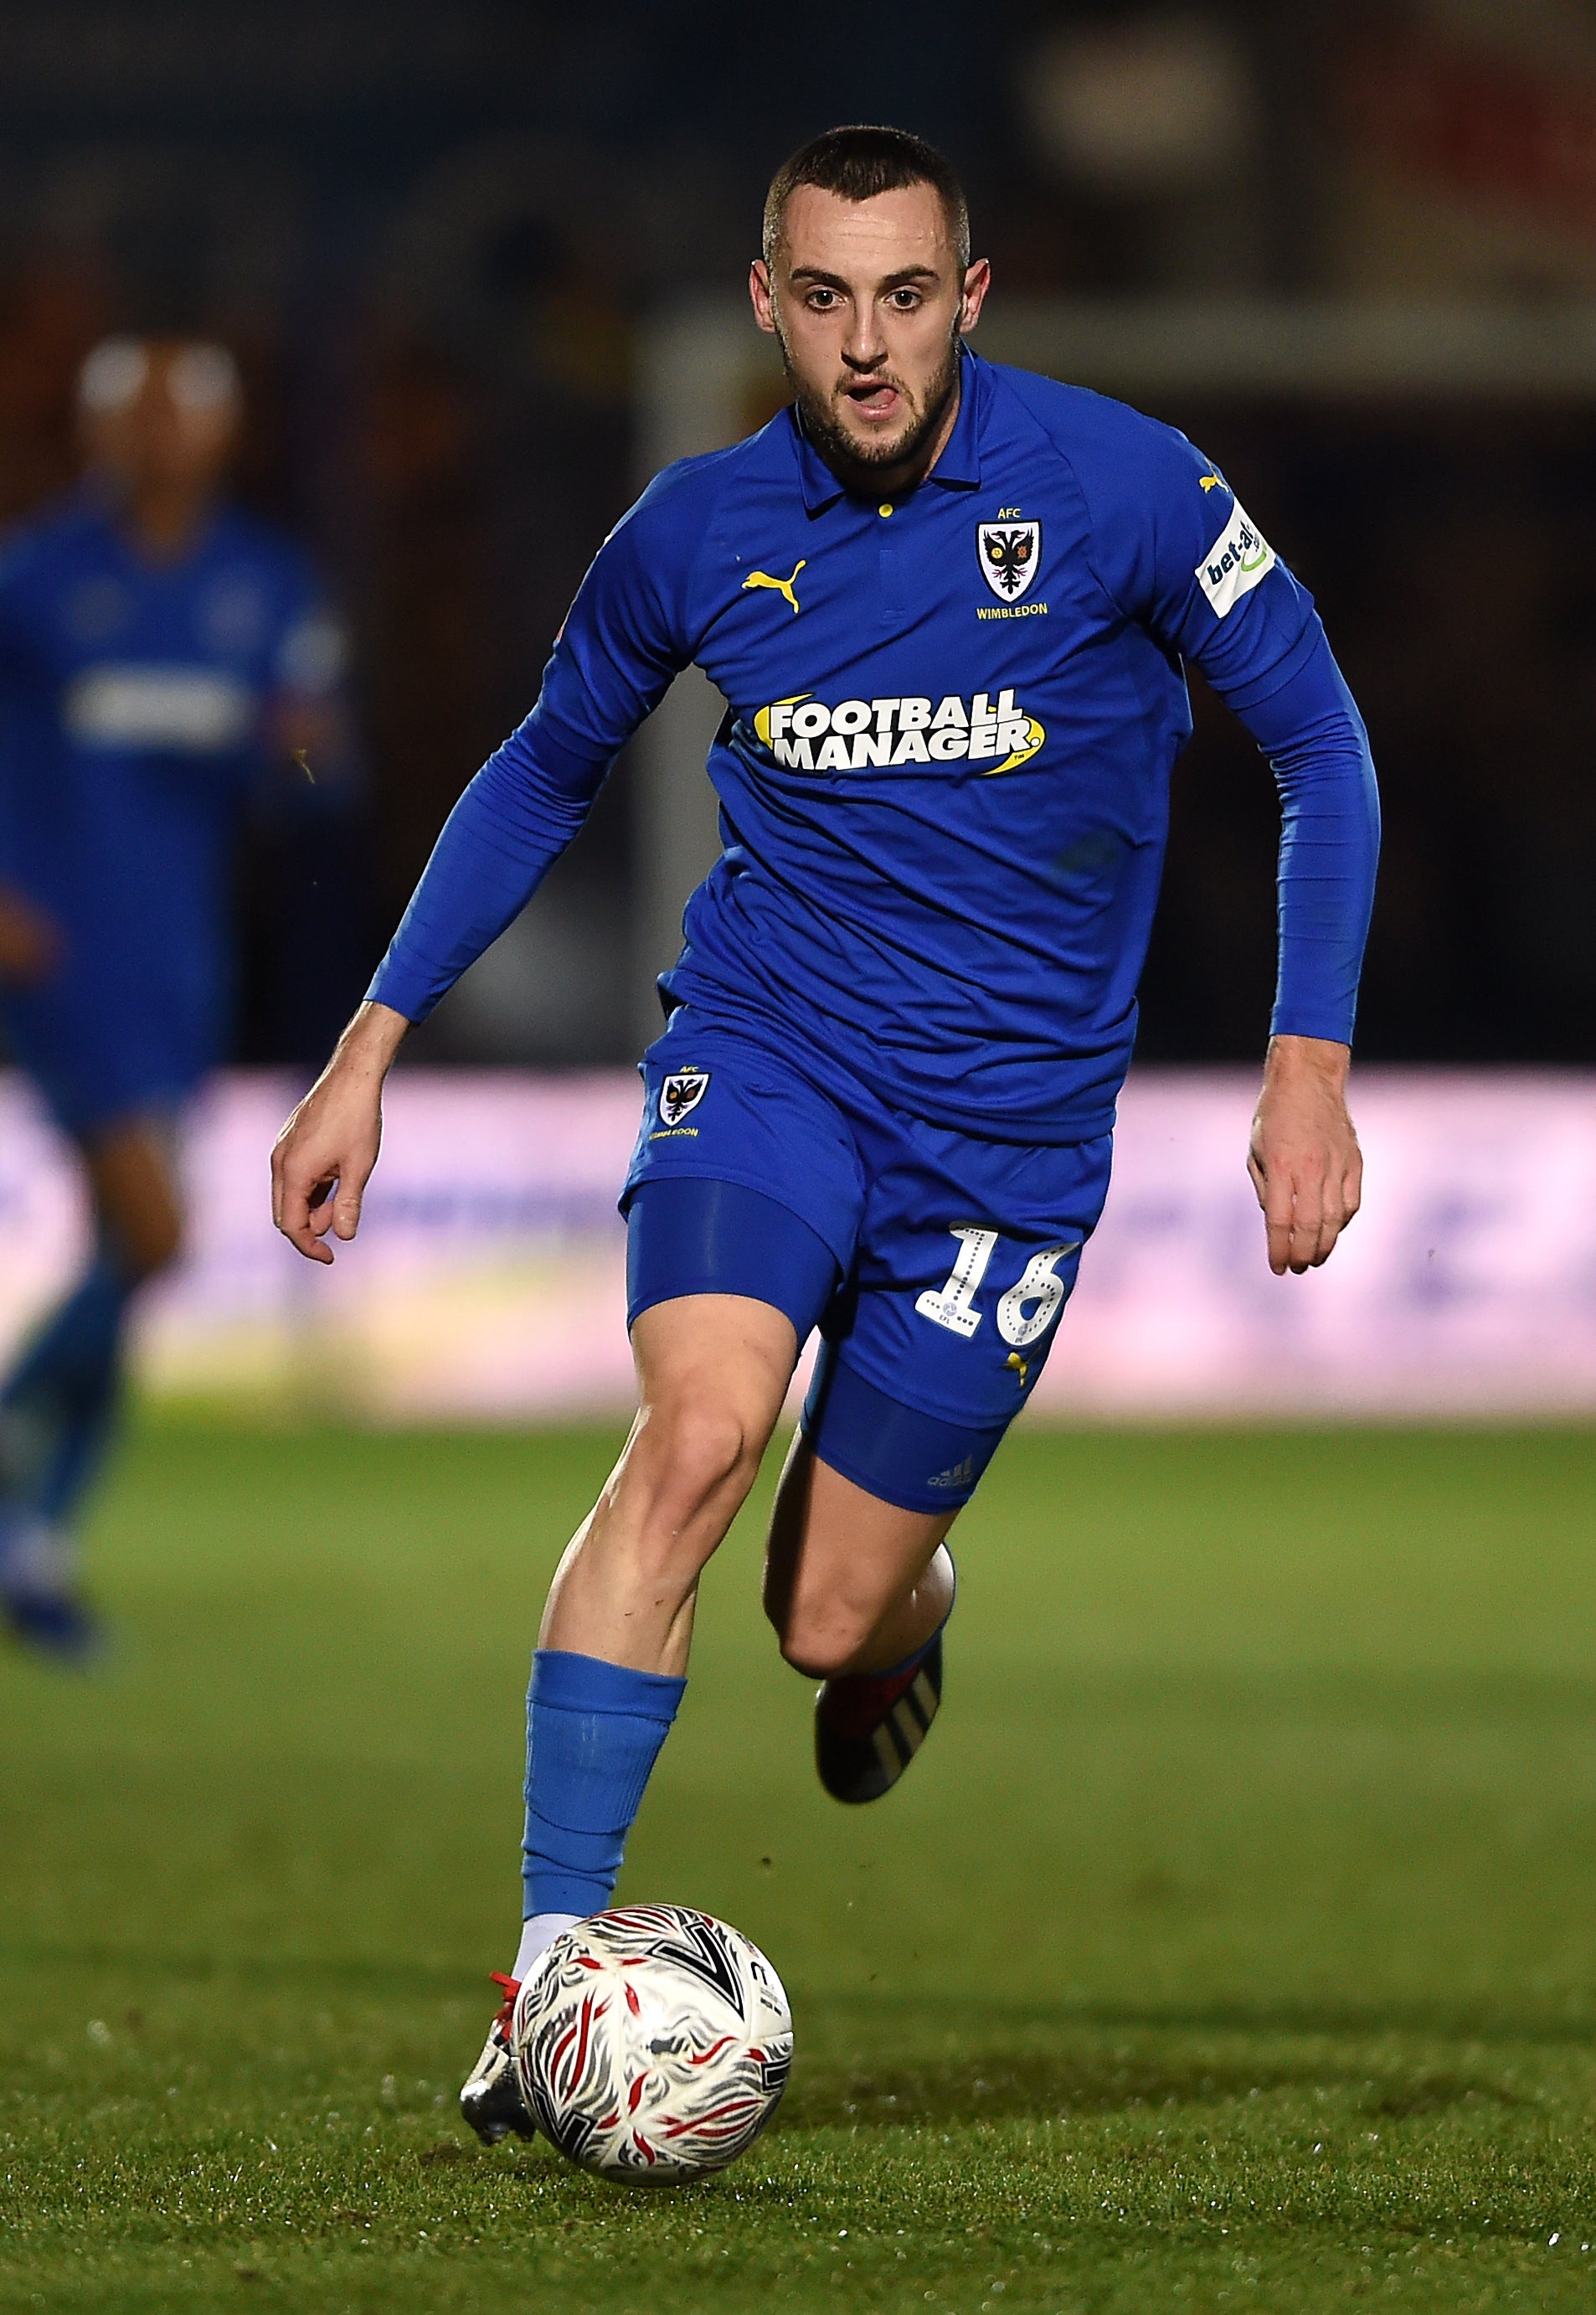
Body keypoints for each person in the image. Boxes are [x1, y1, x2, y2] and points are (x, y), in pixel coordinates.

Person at [270, 126, 1380, 2141]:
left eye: (901, 296)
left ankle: (906, 1624)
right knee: (693, 1429)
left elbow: (1318, 741)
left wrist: (1304, 1061)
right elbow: (539, 770)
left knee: (820, 1611)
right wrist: (370, 1041)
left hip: (1008, 1146)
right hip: (767, 1060)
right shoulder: (693, 532)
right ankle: (542, 1984)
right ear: (765, 301)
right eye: (821, 298)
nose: (863, 347)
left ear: (969, 295)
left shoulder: (1123, 487)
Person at [0, 336, 354, 1655]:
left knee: (122, 1256)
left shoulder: (264, 589)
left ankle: (35, 1543)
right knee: (154, 1238)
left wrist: (305, 747)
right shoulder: (38, 578)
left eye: (180, 414)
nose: (156, 438)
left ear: (219, 435)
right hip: (56, 952)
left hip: (179, 962)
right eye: (131, 414)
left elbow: (314, 769)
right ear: (94, 434)